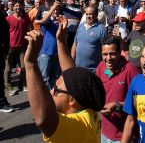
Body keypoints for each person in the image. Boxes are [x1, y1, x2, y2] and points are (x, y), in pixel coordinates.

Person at [24, 15, 106, 143]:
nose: (51, 92)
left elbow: (43, 119)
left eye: (56, 90)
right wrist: (61, 40)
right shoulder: (87, 111)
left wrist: (30, 64)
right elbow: (71, 75)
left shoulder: (78, 126)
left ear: (72, 99)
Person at [96, 35, 141, 143]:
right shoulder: (101, 66)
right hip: (104, 132)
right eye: (105, 54)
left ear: (120, 52)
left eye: (112, 54)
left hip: (124, 135)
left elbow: (140, 101)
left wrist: (118, 105)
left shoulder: (130, 70)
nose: (108, 58)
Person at [6, 0, 31, 95]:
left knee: (24, 67)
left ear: (23, 7)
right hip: (10, 47)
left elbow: (29, 30)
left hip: (22, 46)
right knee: (8, 69)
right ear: (13, 7)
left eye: (20, 6)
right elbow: (4, 33)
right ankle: (8, 86)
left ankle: (22, 84)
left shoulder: (26, 18)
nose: (18, 7)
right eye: (16, 6)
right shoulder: (8, 19)